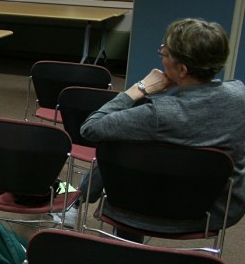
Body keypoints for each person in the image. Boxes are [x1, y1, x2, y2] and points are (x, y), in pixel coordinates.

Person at [64, 18, 245, 236]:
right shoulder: (239, 95)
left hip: (143, 208)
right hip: (216, 209)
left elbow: (90, 128)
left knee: (124, 143)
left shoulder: (158, 114)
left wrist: (139, 89)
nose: (161, 56)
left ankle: (75, 204)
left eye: (165, 53)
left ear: (182, 69)